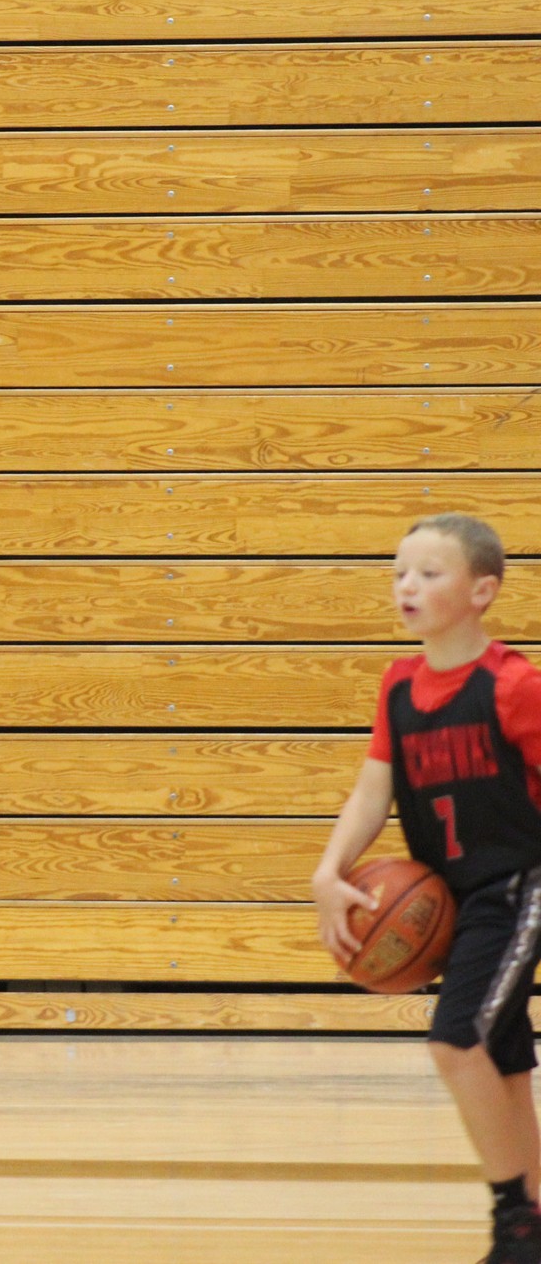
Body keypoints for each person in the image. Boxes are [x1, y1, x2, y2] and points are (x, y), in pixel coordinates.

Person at [314, 513, 541, 1264]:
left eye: (429, 573)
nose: (407, 586)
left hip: (519, 885)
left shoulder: (513, 686)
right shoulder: (399, 687)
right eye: (399, 573)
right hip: (460, 892)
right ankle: (535, 1218)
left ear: (483, 591)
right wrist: (328, 871)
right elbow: (371, 791)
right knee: (500, 1059)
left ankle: (515, 1224)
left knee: (456, 1040)